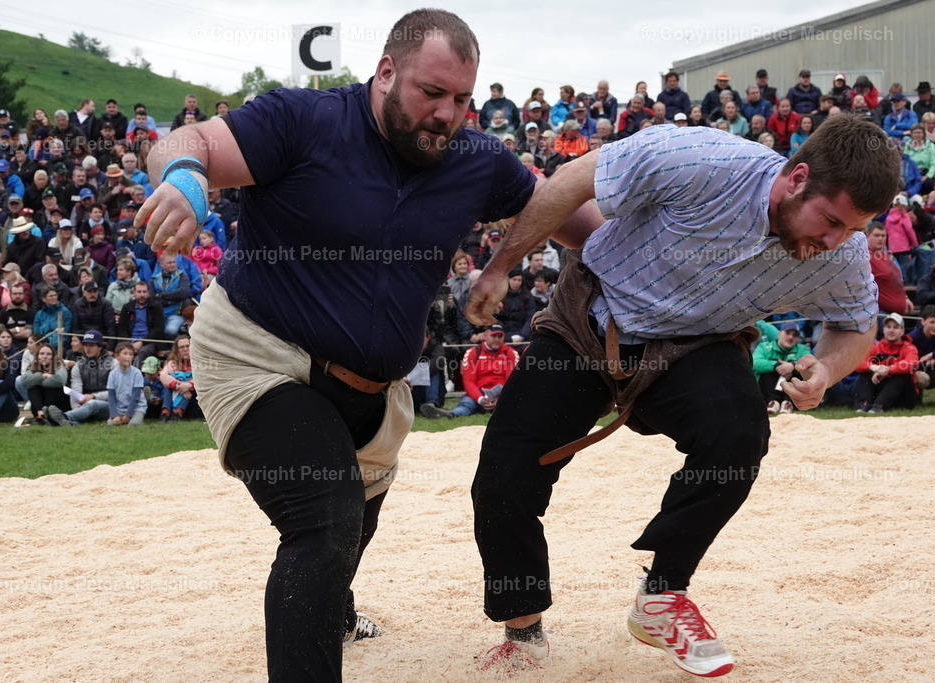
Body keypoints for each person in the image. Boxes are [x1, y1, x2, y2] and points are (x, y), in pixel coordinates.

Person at [131, 9, 600, 680]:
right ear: (385, 73)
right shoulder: (302, 119)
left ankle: (335, 608)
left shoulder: (475, 160)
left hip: (372, 388)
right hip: (257, 354)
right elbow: (186, 141)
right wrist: (183, 176)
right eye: (431, 92)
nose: (447, 113)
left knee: (355, 519)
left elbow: (572, 214)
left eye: (463, 99)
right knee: (324, 513)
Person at [464, 115, 899, 676]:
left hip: (693, 348)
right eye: (833, 220)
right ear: (797, 179)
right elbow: (571, 179)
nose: (836, 241)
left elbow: (857, 322)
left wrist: (828, 372)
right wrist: (501, 267)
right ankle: (522, 630)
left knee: (740, 433)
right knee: (505, 474)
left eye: (855, 229)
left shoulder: (841, 250)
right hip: (590, 317)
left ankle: (662, 596)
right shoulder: (698, 157)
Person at [421, 325, 517, 418]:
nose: (497, 340)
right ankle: (451, 415)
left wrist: (501, 398)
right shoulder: (473, 352)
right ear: (485, 336)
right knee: (467, 403)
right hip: (478, 393)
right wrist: (480, 398)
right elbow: (468, 381)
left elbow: (512, 381)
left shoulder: (511, 353)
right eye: (494, 336)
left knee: (513, 402)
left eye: (500, 336)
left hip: (502, 394)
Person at [46, 330, 117, 427]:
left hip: (110, 404)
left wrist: (93, 396)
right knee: (69, 392)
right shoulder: (78, 366)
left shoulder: (113, 363)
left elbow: (116, 392)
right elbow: (76, 390)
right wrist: (76, 407)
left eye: (91, 345)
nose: (88, 349)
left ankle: (63, 417)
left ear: (100, 347)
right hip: (85, 404)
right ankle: (69, 422)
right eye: (86, 345)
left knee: (93, 403)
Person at [853, 313, 919, 413]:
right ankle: (864, 404)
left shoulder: (909, 348)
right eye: (888, 327)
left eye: (896, 327)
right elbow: (857, 363)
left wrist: (888, 370)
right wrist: (874, 368)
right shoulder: (875, 347)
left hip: (905, 395)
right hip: (880, 388)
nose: (891, 330)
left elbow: (910, 363)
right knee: (865, 372)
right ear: (883, 330)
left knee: (901, 375)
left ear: (902, 331)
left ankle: (879, 406)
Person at [752, 322, 811, 414]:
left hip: (792, 389)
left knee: (797, 373)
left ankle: (787, 402)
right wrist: (776, 366)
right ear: (779, 333)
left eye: (795, 335)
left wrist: (792, 366)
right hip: (767, 387)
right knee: (769, 371)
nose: (791, 337)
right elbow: (755, 363)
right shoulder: (764, 347)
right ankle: (773, 402)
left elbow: (810, 365)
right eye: (787, 333)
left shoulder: (802, 349)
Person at [18, 342, 70, 425]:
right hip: (39, 404)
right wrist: (42, 376)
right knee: (32, 388)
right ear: (37, 356)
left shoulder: (59, 364)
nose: (45, 356)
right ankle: (41, 414)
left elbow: (60, 380)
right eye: (42, 354)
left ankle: (45, 415)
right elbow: (24, 382)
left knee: (51, 387)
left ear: (53, 356)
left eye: (48, 354)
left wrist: (37, 380)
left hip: (57, 404)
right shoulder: (33, 365)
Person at [107, 342, 147, 426]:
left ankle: (137, 419)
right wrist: (114, 415)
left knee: (134, 424)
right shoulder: (112, 374)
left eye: (131, 354)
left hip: (136, 408)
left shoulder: (136, 373)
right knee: (110, 424)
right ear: (117, 356)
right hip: (120, 408)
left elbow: (135, 397)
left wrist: (128, 415)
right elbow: (111, 397)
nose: (128, 357)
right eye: (125, 353)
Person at [158, 335, 196, 422]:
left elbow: (204, 378)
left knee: (186, 378)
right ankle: (165, 413)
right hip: (181, 392)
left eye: (187, 346)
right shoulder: (173, 362)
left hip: (194, 396)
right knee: (171, 383)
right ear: (177, 350)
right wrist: (179, 385)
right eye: (182, 347)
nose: (185, 349)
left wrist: (189, 385)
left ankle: (178, 413)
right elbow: (163, 376)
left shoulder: (200, 361)